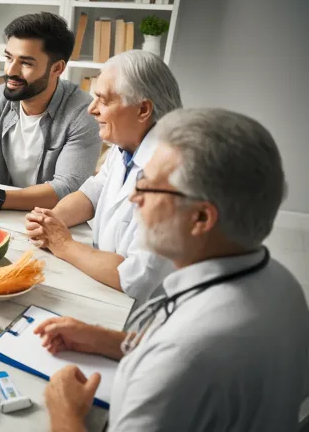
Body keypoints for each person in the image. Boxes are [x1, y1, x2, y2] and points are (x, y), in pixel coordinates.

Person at [37, 108, 309, 432]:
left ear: (201, 219)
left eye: (148, 187)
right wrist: (106, 340)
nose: (134, 198)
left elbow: (184, 353)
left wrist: (64, 412)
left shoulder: (183, 357)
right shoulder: (282, 282)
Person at [26, 50, 183, 303]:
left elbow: (138, 277)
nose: (91, 109)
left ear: (143, 109)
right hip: (101, 284)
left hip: (139, 312)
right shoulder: (125, 146)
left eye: (103, 100)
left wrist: (64, 245)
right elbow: (91, 194)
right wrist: (51, 220)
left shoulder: (174, 176)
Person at [0, 12, 101, 211]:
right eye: (9, 58)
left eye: (25, 63)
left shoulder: (83, 113)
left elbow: (68, 187)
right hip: (3, 212)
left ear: (57, 68)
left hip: (54, 219)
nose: (10, 71)